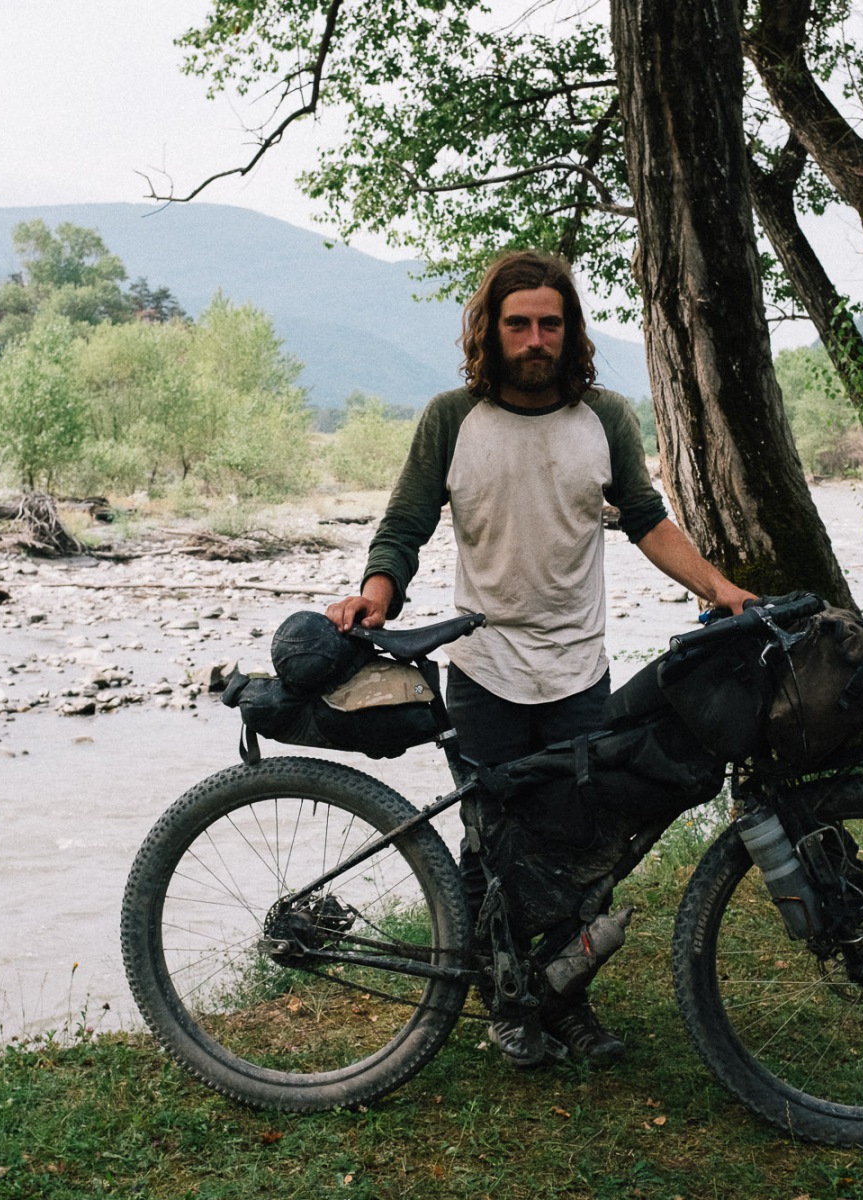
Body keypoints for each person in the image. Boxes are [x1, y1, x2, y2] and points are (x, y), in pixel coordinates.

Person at [327, 250, 755, 1068]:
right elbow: (406, 525)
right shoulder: (453, 418)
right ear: (490, 329)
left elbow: (647, 519)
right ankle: (506, 1007)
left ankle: (565, 1003)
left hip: (578, 673)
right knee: (494, 844)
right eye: (517, 323)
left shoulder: (606, 418)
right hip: (482, 670)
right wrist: (375, 596)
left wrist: (720, 587)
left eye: (549, 324)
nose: (534, 338)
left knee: (580, 845)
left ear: (570, 332)